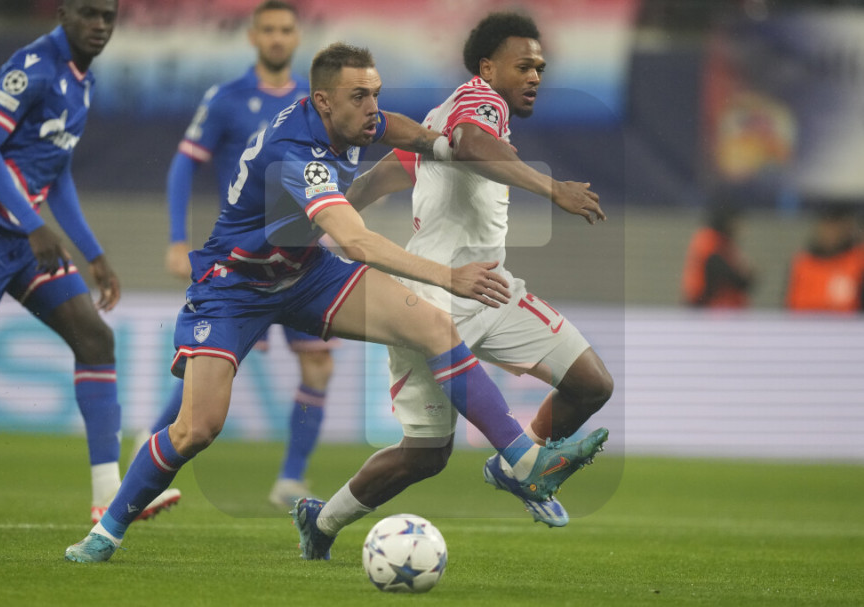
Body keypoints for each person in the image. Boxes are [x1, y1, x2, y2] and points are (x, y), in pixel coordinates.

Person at [65, 41, 606, 563]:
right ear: (323, 101)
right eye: (359, 97)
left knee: (434, 328)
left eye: (375, 93)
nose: (372, 107)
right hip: (236, 286)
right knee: (196, 429)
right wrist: (448, 276)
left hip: (305, 273)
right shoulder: (297, 154)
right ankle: (106, 530)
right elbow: (356, 242)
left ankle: (523, 460)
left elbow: (394, 127)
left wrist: (439, 146)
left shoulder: (351, 119)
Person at [289, 12, 613, 554]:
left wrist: (321, 219)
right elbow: (469, 142)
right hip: (432, 298)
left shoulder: (443, 116)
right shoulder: (480, 103)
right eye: (523, 66)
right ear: (487, 68)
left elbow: (387, 173)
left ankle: (520, 466)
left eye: (540, 67)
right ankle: (321, 523)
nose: (535, 76)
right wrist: (552, 188)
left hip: (490, 289)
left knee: (590, 384)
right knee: (426, 455)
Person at [0, 0, 178, 523]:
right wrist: (33, 225)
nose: (99, 25)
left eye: (108, 16)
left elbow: (57, 174)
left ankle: (109, 495)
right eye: (89, 14)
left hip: (28, 241)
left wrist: (94, 252)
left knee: (95, 340)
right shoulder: (32, 68)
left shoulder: (82, 81)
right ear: (63, 13)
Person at [155, 0, 334, 508]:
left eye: (286, 30)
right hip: (244, 260)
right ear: (253, 37)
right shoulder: (227, 99)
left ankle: (291, 479)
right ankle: (149, 452)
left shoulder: (311, 103)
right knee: (207, 371)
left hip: (301, 258)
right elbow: (183, 166)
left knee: (318, 367)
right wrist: (177, 239)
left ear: (297, 38)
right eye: (268, 30)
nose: (277, 38)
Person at [785, 202, 864, 312]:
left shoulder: (858, 260)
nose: (830, 233)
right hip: (805, 321)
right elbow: (790, 303)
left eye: (835, 226)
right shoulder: (802, 262)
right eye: (826, 226)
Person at [681, 202, 755, 308]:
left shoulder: (719, 241)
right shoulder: (710, 241)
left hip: (711, 307)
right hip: (707, 308)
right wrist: (745, 274)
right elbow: (733, 277)